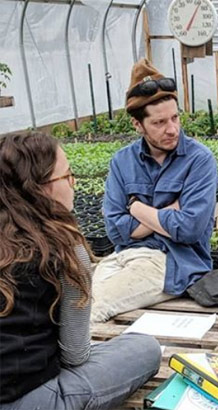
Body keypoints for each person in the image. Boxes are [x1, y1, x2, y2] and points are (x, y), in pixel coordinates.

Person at [0, 132, 161, 409]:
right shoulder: (63, 249)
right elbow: (75, 355)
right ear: (40, 188)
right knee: (144, 348)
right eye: (68, 176)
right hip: (30, 398)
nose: (73, 184)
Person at [92, 59, 218, 323]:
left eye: (175, 118)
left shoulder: (199, 160)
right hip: (123, 256)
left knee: (95, 308)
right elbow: (115, 230)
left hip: (174, 263)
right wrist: (167, 212)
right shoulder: (122, 162)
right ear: (137, 125)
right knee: (72, 297)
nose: (172, 129)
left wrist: (137, 209)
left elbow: (190, 229)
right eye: (159, 123)